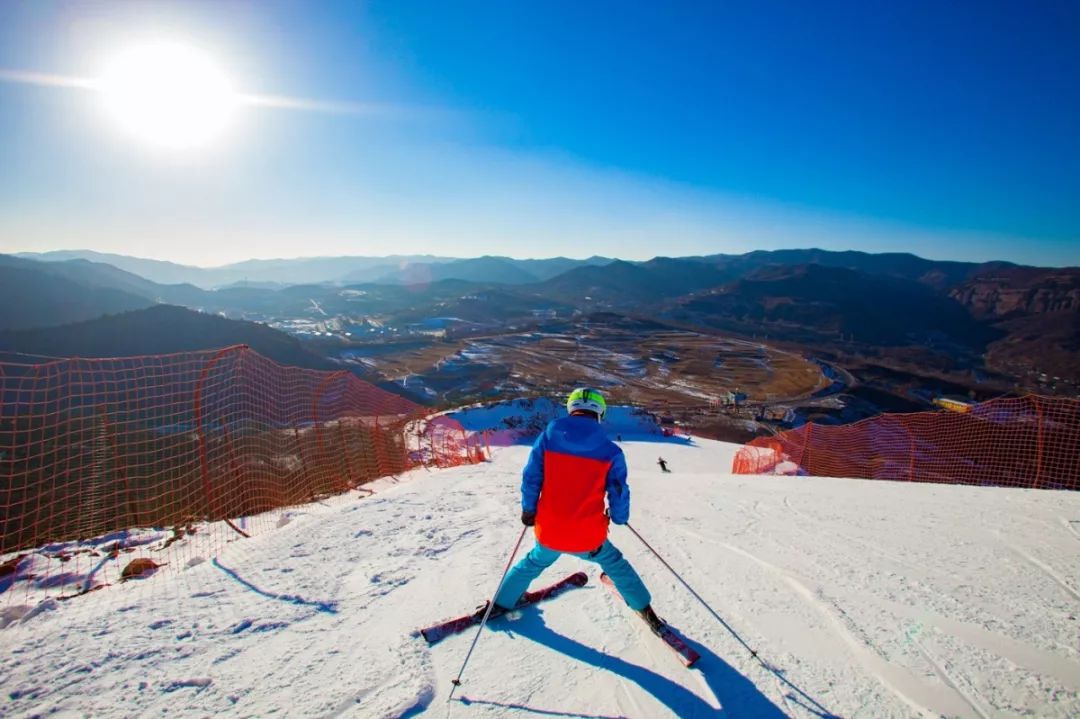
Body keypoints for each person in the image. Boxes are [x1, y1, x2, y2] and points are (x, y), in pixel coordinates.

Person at [493, 387, 664, 632]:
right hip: (589, 536)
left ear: (571, 408)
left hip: (550, 531)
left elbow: (531, 476)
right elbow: (617, 490)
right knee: (615, 563)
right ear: (600, 413)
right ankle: (645, 609)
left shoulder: (548, 437)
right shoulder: (611, 451)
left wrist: (529, 510)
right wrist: (619, 517)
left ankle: (501, 602)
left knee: (532, 562)